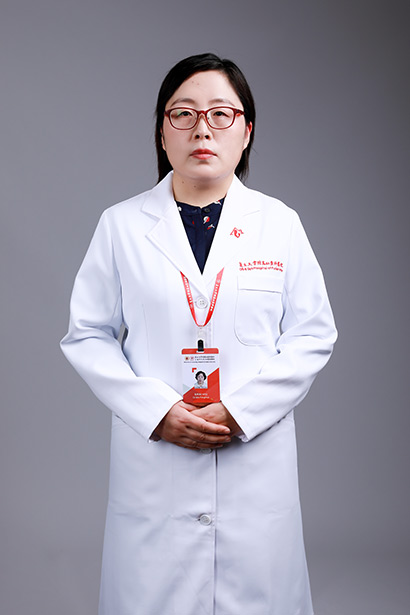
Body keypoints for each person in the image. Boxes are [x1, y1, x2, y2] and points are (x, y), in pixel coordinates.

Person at [61, 53, 337, 615]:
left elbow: (312, 335)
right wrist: (154, 411)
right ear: (162, 133)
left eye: (220, 114)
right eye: (183, 114)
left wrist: (242, 411)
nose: (202, 129)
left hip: (252, 461)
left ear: (246, 131)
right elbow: (87, 334)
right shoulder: (121, 225)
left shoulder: (279, 225)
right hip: (157, 463)